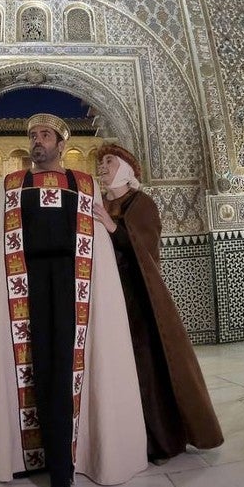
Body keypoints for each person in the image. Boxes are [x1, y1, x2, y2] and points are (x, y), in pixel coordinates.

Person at [0, 114, 146, 487]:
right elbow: (2, 243)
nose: (38, 140)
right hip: (25, 287)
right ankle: (25, 458)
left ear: (62, 144)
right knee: (32, 365)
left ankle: (65, 465)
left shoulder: (83, 185)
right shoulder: (11, 183)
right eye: (33, 135)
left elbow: (97, 243)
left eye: (45, 135)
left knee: (69, 369)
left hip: (74, 287)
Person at [91, 144, 223, 462]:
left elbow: (144, 249)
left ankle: (160, 440)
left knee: (147, 370)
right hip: (109, 300)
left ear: (126, 169)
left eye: (109, 161)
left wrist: (111, 228)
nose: (103, 166)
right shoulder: (103, 206)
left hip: (140, 302)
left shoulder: (141, 202)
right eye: (101, 162)